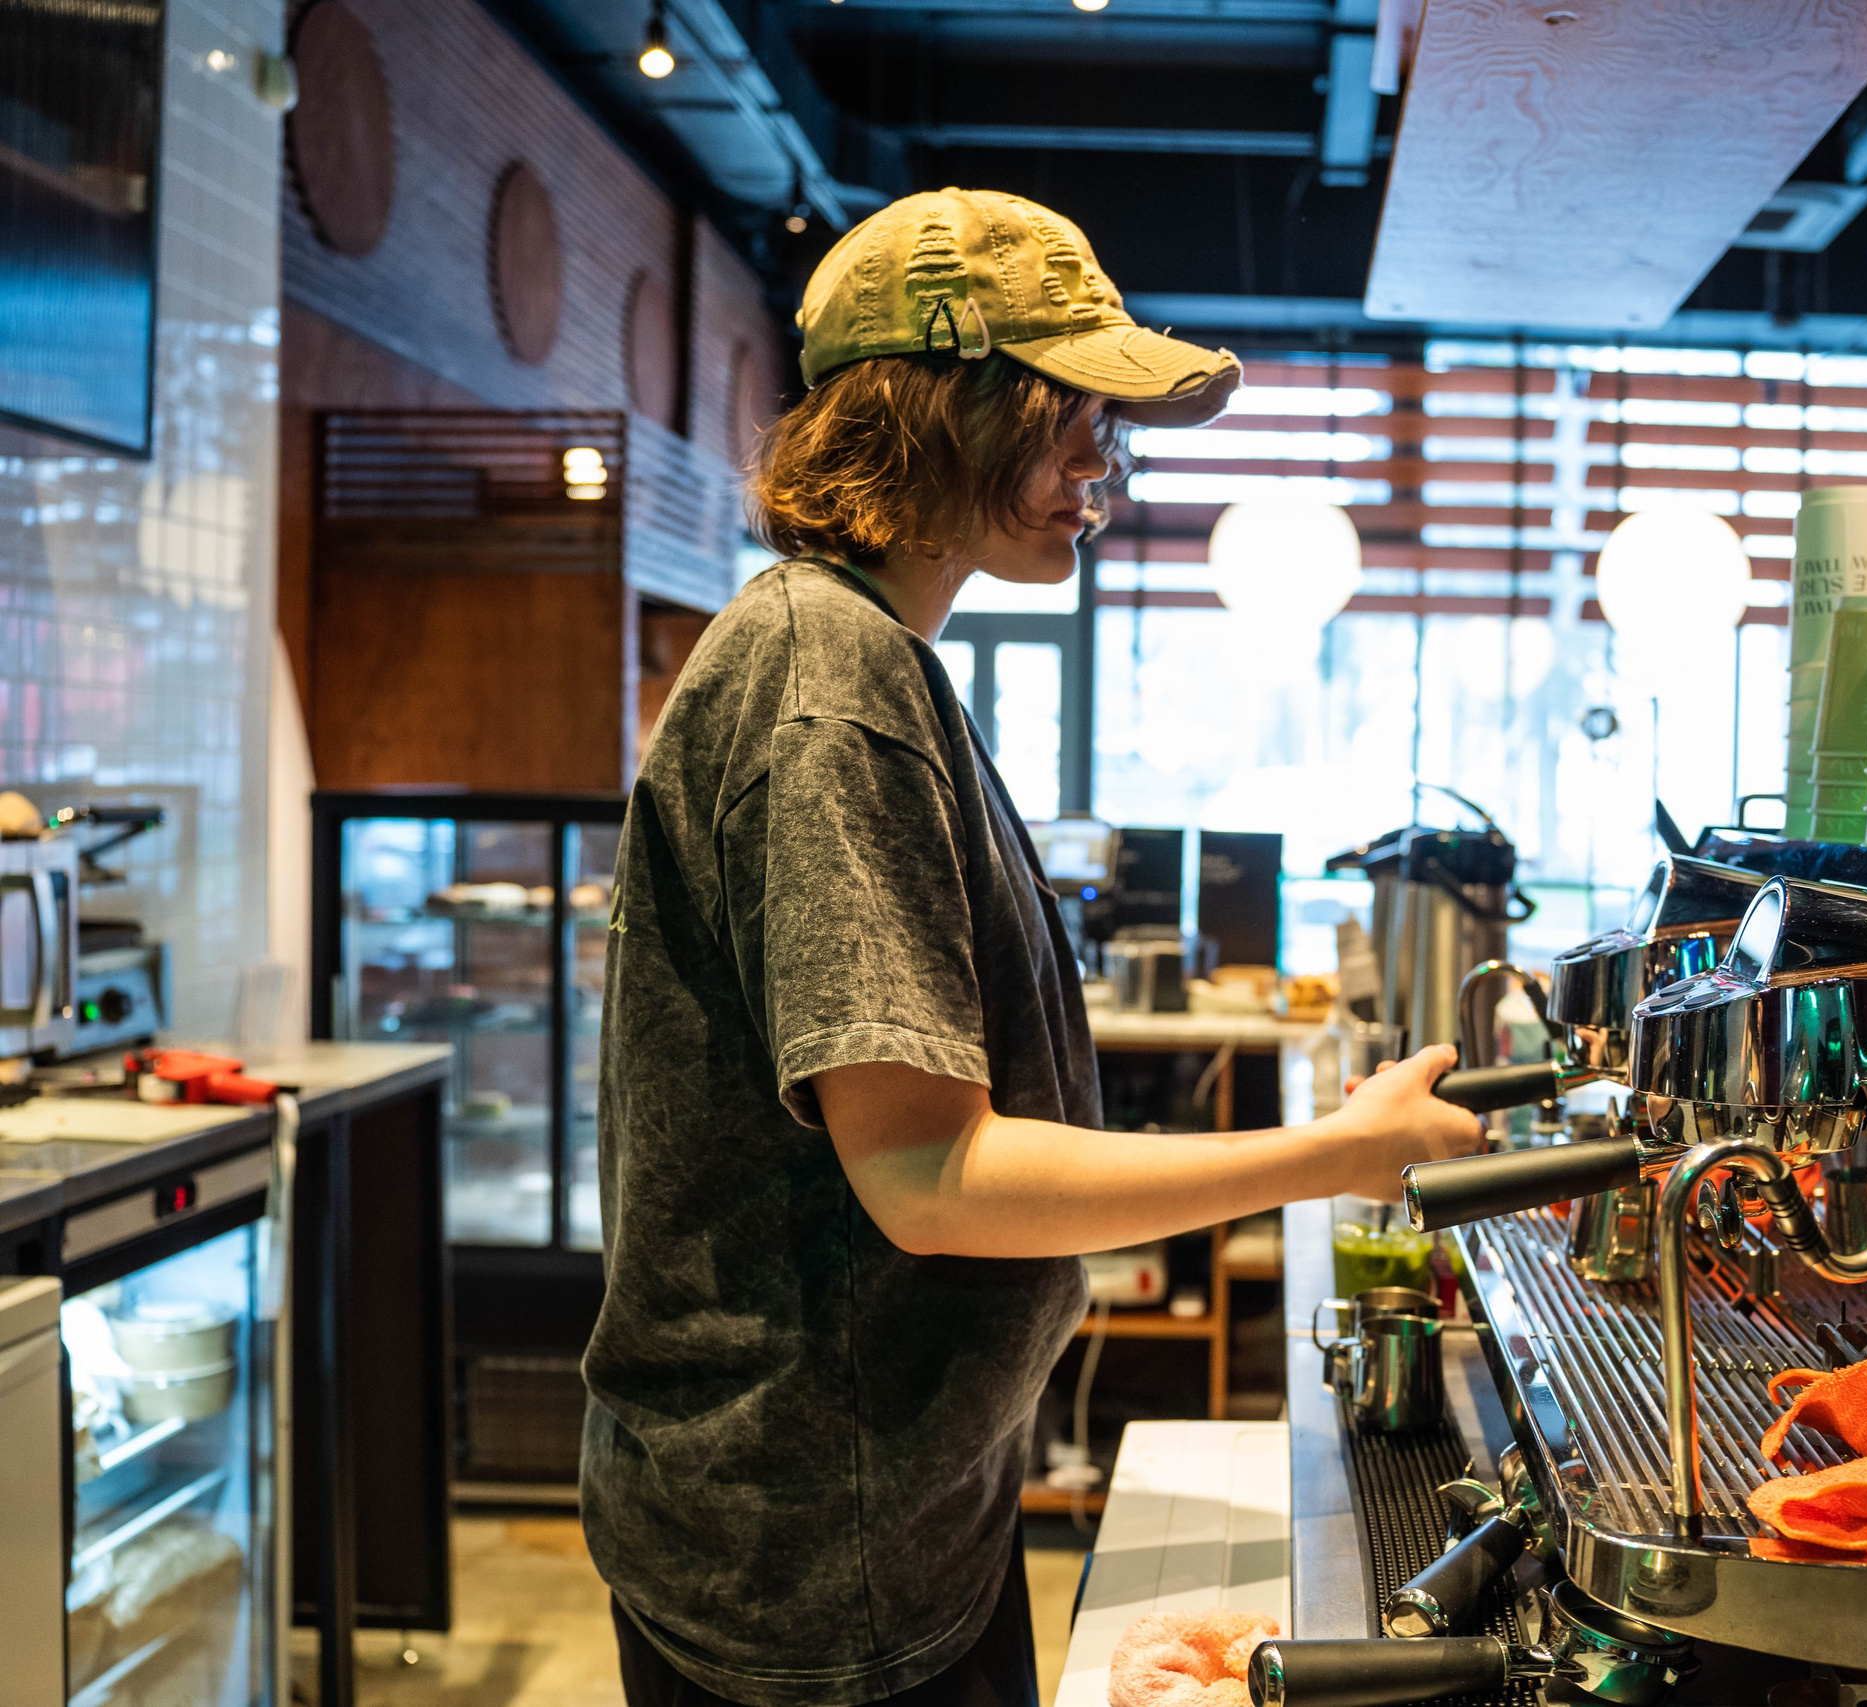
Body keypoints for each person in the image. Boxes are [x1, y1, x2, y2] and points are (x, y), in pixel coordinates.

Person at [581, 188, 1483, 1707]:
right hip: (811, 1551)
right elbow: (932, 1180)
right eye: (1075, 423)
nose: (1103, 473)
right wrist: (1330, 1153)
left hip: (884, 1502)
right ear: (945, 409)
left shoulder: (874, 656)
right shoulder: (829, 681)